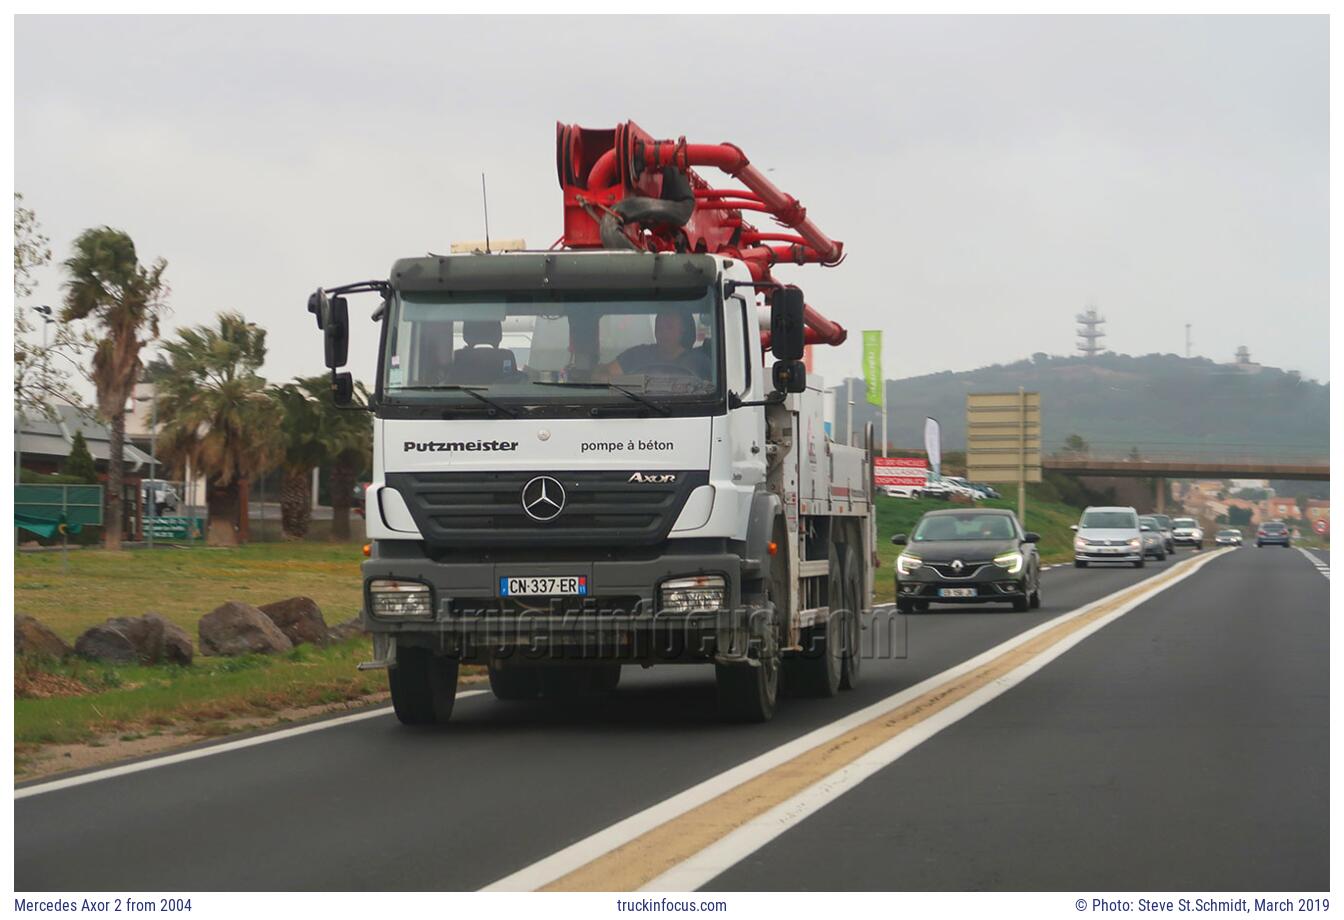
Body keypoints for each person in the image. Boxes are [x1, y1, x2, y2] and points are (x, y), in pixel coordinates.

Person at [597, 309, 708, 380]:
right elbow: (603, 375)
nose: (663, 333)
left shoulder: (699, 362)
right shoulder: (638, 355)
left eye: (669, 327)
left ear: (683, 330)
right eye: (659, 327)